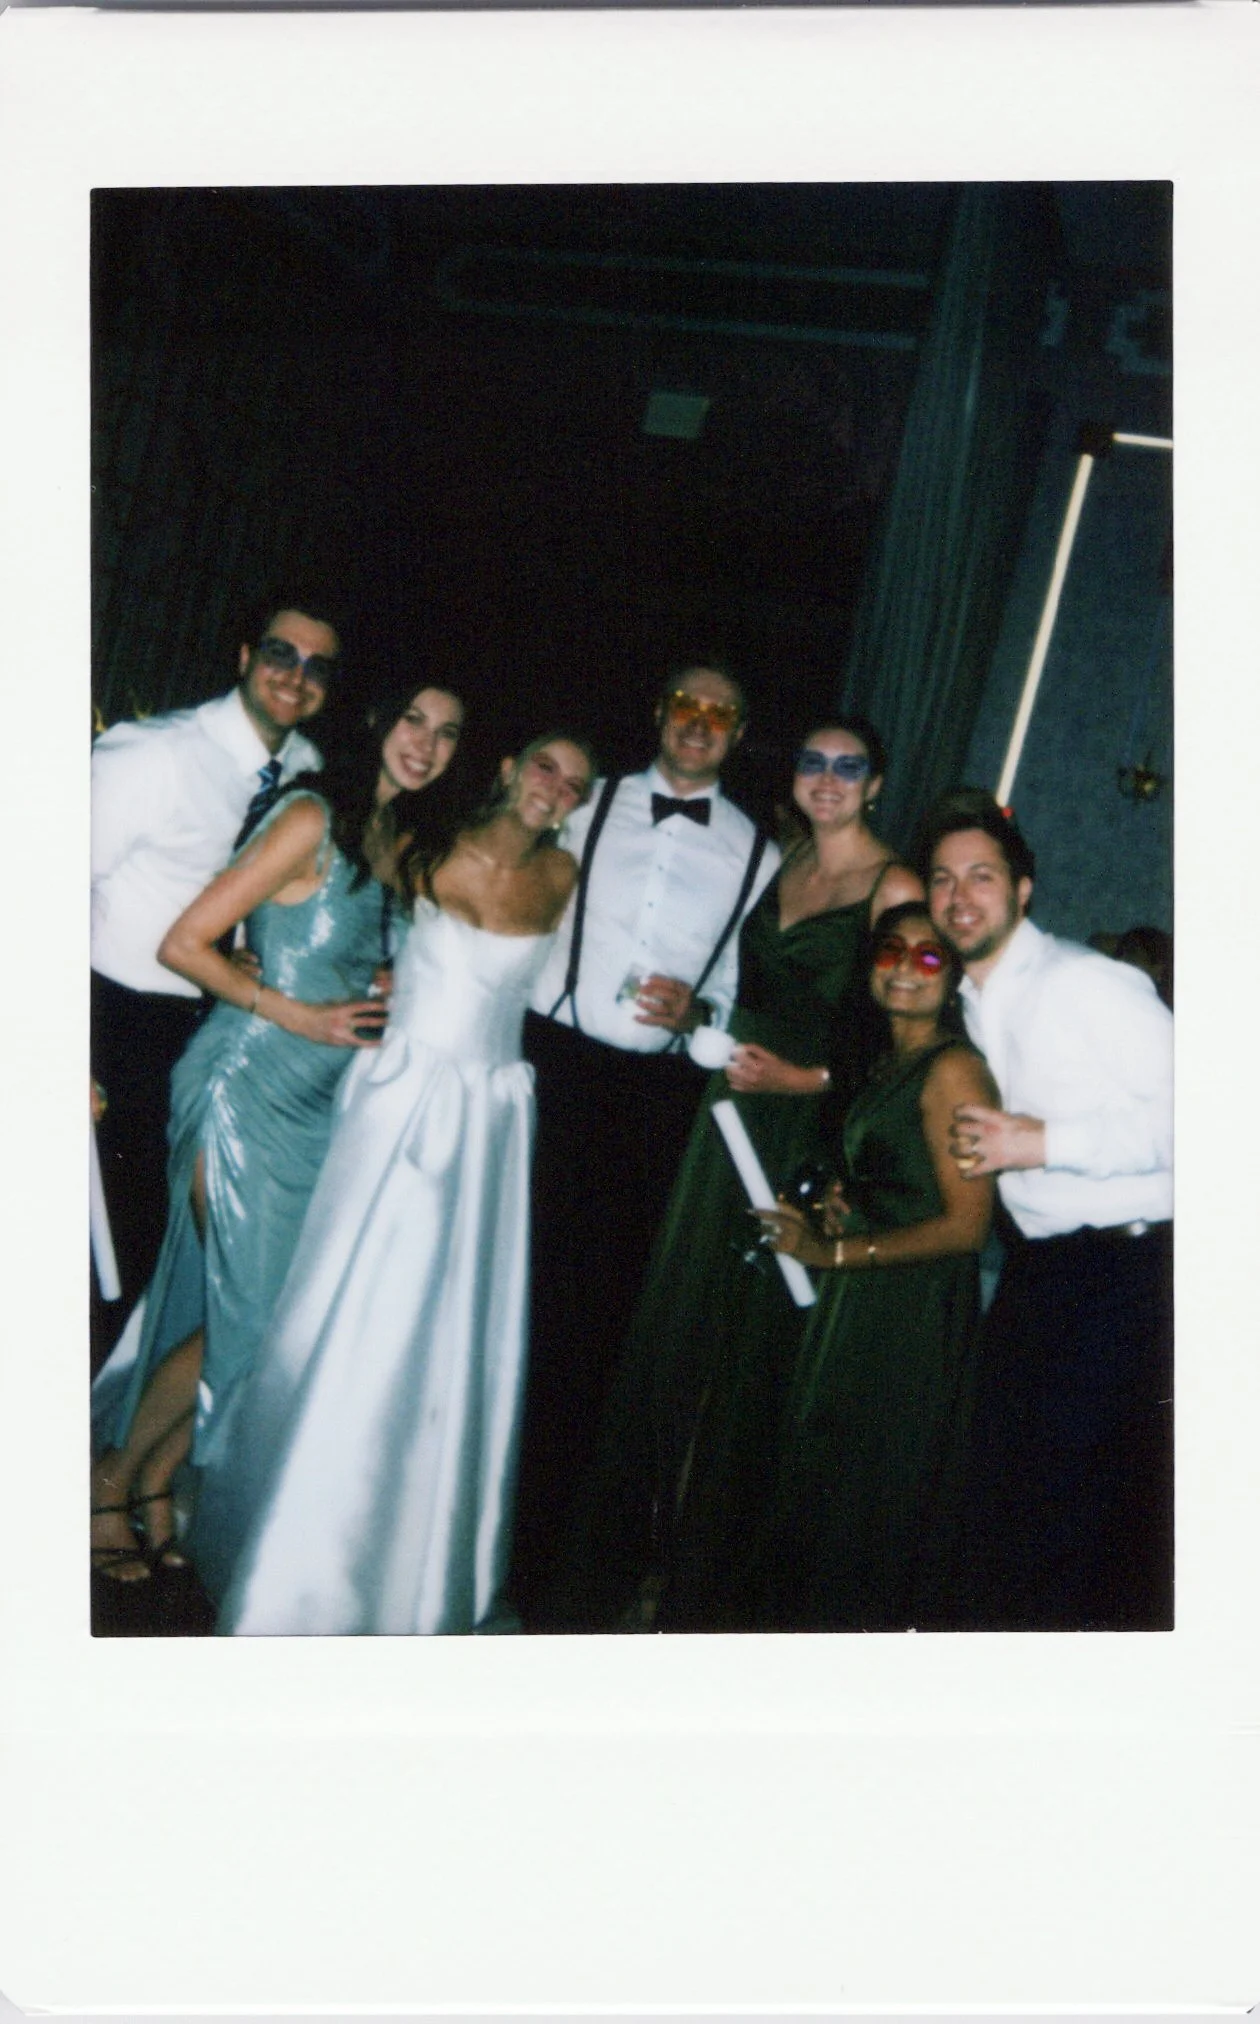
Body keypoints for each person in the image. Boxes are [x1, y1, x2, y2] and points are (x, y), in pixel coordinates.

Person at [205, 734, 596, 1636]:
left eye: (574, 783)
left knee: (450, 1329)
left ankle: (409, 1552)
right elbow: (326, 915)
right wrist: (252, 950)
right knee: (354, 1304)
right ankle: (296, 1542)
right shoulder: (419, 845)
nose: (555, 788)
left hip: (491, 1116)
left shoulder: (564, 877)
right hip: (398, 1097)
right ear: (508, 767)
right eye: (543, 765)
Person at [89, 683, 466, 1584]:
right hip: (243, 1080)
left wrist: (380, 985)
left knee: (240, 1311)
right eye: (412, 719)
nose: (426, 743)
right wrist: (299, 1012)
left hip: (318, 1104)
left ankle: (154, 1484)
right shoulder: (310, 816)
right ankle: (105, 1483)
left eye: (448, 733)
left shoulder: (397, 840)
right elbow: (184, 942)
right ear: (377, 722)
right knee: (253, 1316)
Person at [556, 716, 922, 1631]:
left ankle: (699, 1585)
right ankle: (636, 1560)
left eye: (849, 767)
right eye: (813, 762)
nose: (828, 778)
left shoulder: (895, 884)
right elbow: (739, 985)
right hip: (725, 1111)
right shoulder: (781, 860)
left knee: (747, 1349)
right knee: (681, 1326)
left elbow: (908, 1036)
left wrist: (810, 1079)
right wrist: (699, 1015)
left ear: (876, 784)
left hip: (804, 1119)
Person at [511, 661, 781, 1620]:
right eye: (685, 706)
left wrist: (701, 1011)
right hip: (546, 1065)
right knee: (506, 1291)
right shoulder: (587, 801)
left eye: (721, 713)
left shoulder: (759, 854)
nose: (699, 724)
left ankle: (538, 1554)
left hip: (652, 1104)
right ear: (660, 713)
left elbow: (742, 989)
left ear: (739, 733)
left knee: (595, 1322)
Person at [922, 789, 1174, 1630]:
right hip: (1044, 1273)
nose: (960, 895)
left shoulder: (1084, 982)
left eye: (982, 876)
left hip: (1130, 1269)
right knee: (1003, 1494)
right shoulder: (966, 1004)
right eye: (943, 878)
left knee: (1067, 1518)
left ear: (1023, 890)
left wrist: (1045, 1141)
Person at [91, 598, 338, 1359]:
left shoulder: (308, 772)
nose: (295, 676)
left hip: (207, 1038)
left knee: (144, 1262)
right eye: (280, 653)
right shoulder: (155, 754)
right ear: (244, 657)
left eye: (317, 667)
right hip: (110, 1023)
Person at [752, 902, 999, 1630]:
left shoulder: (954, 1069)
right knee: (828, 1481)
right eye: (891, 951)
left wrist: (833, 1251)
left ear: (952, 977)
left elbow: (968, 1227)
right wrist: (846, 1203)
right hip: (867, 1294)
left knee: (868, 1500)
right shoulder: (891, 1059)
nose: (904, 969)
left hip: (911, 1310)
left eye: (929, 956)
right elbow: (903, 1180)